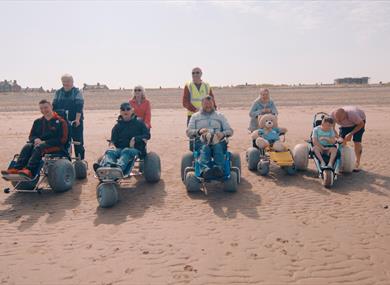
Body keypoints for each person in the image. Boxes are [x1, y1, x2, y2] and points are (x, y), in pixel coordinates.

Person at [1, 100, 69, 178]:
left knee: (39, 147)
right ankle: (16, 169)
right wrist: (35, 139)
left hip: (56, 146)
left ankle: (29, 170)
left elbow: (63, 139)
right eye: (41, 108)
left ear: (51, 107)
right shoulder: (38, 122)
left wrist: (44, 142)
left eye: (46, 107)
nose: (44, 110)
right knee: (27, 146)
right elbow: (31, 136)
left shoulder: (61, 121)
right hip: (40, 145)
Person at [93, 103, 150, 173]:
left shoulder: (139, 123)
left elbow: (147, 135)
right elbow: (113, 141)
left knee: (126, 151)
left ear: (132, 111)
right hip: (120, 149)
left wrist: (135, 138)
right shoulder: (117, 126)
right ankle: (104, 168)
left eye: (128, 109)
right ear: (120, 112)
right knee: (110, 152)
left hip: (135, 149)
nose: (125, 111)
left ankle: (118, 168)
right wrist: (112, 145)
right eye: (123, 109)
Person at [186, 96, 233, 179]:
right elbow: (188, 132)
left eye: (210, 104)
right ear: (201, 104)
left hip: (218, 140)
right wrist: (199, 131)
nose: (208, 106)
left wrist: (223, 134)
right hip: (201, 141)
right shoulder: (195, 117)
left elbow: (230, 130)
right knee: (205, 147)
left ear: (213, 104)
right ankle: (205, 170)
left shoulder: (220, 116)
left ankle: (219, 169)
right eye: (206, 104)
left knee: (217, 146)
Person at [53, 74, 85, 160]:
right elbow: (54, 107)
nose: (66, 83)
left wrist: (77, 120)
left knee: (78, 142)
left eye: (68, 81)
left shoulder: (78, 92)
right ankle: (64, 159)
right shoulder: (58, 92)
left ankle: (80, 161)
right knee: (63, 141)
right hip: (61, 121)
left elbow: (79, 107)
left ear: (72, 82)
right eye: (64, 82)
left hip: (75, 121)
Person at [331, 106, 366, 171]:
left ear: (345, 115)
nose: (339, 121)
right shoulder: (332, 115)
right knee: (341, 143)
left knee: (357, 141)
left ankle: (357, 163)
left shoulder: (352, 114)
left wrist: (351, 134)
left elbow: (361, 124)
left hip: (358, 123)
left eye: (340, 120)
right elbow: (332, 129)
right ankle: (344, 161)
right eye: (337, 120)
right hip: (345, 126)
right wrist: (339, 138)